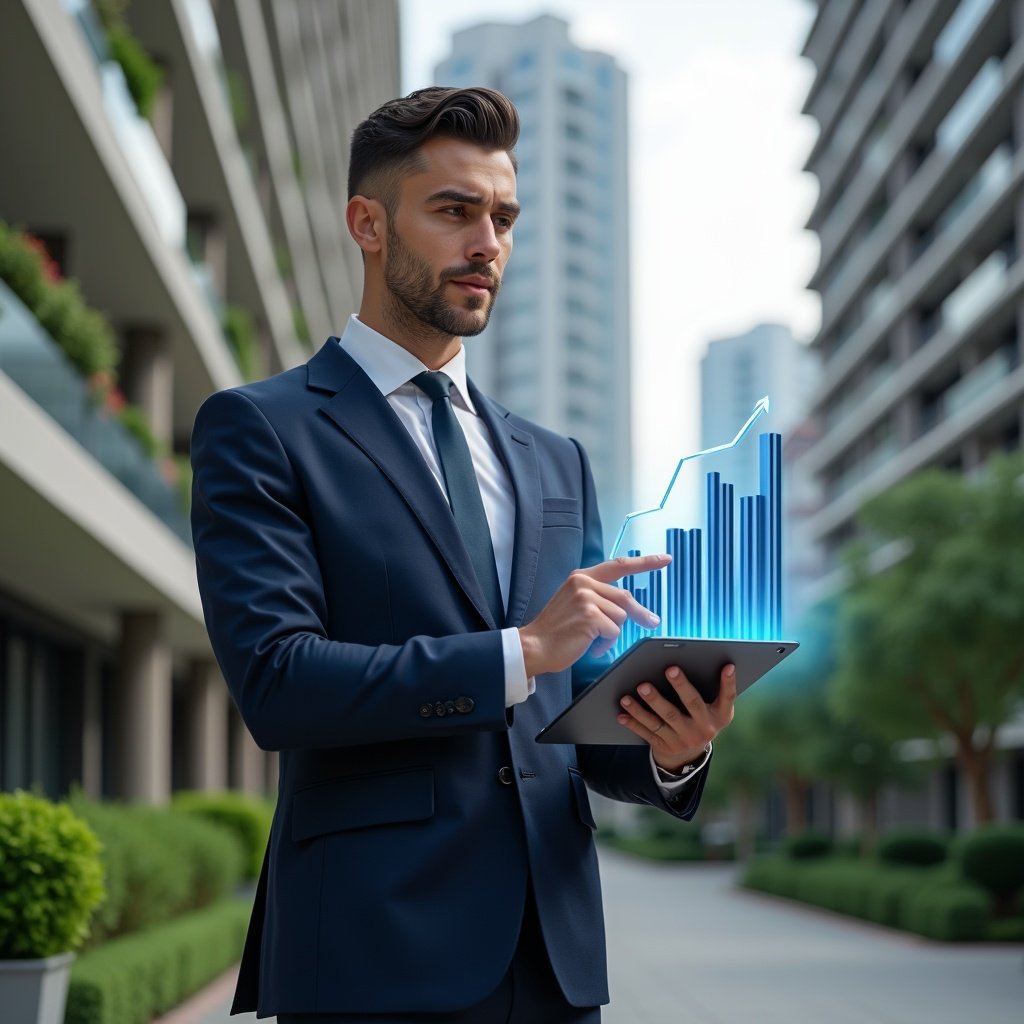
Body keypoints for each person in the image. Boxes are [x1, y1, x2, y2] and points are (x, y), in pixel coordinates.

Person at [190, 86, 736, 1024]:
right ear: (368, 223)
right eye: (454, 211)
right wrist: (519, 652)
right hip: (375, 951)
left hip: (555, 959)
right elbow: (278, 682)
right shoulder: (262, 429)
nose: (488, 243)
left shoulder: (554, 459)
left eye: (504, 217)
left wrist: (670, 748)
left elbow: (570, 710)